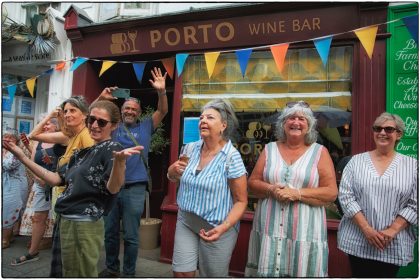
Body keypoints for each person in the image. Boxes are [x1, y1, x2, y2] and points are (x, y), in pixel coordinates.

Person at [3, 100, 143, 277]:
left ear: (114, 126)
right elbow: (55, 179)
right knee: (67, 273)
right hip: (66, 219)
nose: (94, 125)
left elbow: (113, 188)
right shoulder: (81, 153)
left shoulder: (112, 148)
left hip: (85, 223)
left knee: (83, 274)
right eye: (91, 120)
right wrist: (23, 157)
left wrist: (119, 164)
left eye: (101, 122)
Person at [245, 101, 338, 277]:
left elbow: (331, 192)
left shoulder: (320, 152)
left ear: (309, 125)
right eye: (291, 118)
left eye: (302, 118)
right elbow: (253, 183)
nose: (296, 122)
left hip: (305, 230)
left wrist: (296, 193)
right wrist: (272, 189)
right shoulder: (269, 149)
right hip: (269, 227)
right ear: (283, 124)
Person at [97, 67, 168, 277]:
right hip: (111, 187)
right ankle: (111, 268)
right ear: (121, 109)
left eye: (134, 110)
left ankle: (128, 273)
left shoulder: (146, 126)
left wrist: (162, 92)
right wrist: (102, 97)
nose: (130, 111)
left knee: (131, 235)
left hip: (135, 188)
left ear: (139, 112)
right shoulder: (113, 126)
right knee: (110, 233)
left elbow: (162, 111)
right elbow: (91, 118)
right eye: (127, 108)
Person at [167, 99, 248, 277]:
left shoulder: (231, 157)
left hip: (216, 228)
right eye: (201, 117)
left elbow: (241, 201)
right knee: (181, 273)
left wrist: (224, 227)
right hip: (186, 221)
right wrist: (171, 172)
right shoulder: (189, 149)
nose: (202, 120)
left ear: (223, 126)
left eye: (210, 117)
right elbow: (176, 178)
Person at [337, 112, 417, 277]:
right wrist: (366, 229)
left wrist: (392, 230)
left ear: (398, 134)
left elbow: (416, 203)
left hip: (393, 243)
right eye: (377, 128)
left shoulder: (413, 166)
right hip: (358, 239)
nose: (382, 133)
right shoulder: (355, 162)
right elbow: (346, 197)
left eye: (388, 129)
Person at [27, 95, 94, 276]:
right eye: (65, 111)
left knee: (71, 257)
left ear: (85, 115)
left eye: (73, 111)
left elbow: (88, 173)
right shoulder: (69, 135)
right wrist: (51, 116)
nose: (68, 114)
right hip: (63, 199)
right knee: (63, 256)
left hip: (75, 203)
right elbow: (33, 136)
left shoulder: (86, 137)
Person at [12, 114, 66, 265]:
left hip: (58, 186)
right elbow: (34, 161)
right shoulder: (38, 143)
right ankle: (33, 252)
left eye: (49, 124)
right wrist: (38, 178)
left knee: (61, 219)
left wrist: (48, 176)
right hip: (40, 186)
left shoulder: (61, 141)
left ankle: (64, 252)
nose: (45, 126)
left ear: (56, 126)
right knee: (38, 218)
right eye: (44, 124)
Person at [2, 128, 29, 249]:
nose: (7, 139)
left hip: (14, 186)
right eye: (5, 136)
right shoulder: (4, 150)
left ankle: (5, 240)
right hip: (5, 184)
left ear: (16, 141)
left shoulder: (17, 151)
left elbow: (9, 165)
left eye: (10, 137)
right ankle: (10, 236)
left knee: (9, 210)